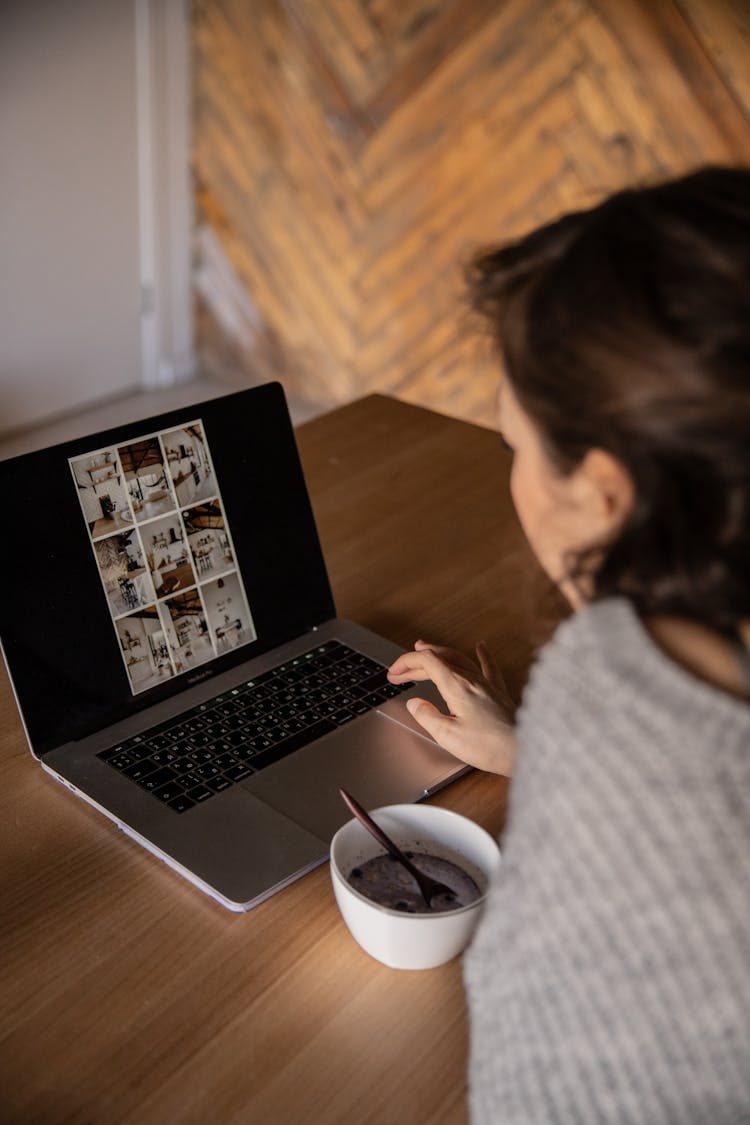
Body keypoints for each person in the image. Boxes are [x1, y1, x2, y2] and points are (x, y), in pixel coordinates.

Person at [387, 167, 750, 1124]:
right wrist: (533, 753)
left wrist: (587, 742)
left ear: (603, 494)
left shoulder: (611, 668)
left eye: (515, 443)